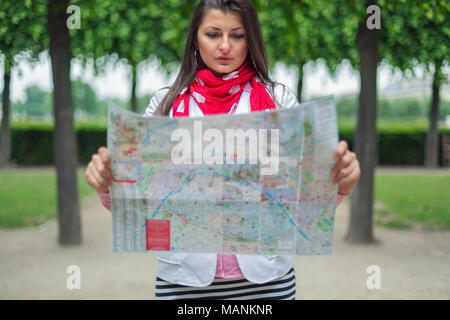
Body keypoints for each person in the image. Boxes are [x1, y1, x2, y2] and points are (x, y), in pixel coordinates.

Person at [85, 0, 360, 300]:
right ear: (195, 39)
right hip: (182, 281)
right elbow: (141, 198)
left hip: (267, 280)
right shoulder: (164, 107)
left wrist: (339, 184)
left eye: (237, 35)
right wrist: (107, 185)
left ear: (250, 40)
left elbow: (304, 196)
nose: (225, 46)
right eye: (213, 34)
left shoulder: (279, 101)